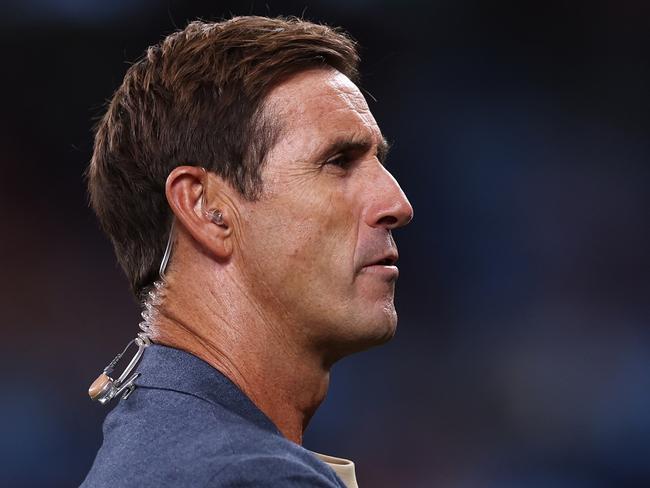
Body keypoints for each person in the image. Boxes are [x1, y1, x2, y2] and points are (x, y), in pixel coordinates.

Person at [81, 15, 413, 488]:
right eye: (338, 161)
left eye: (378, 161)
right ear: (207, 208)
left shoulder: (157, 444)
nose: (397, 204)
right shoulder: (248, 476)